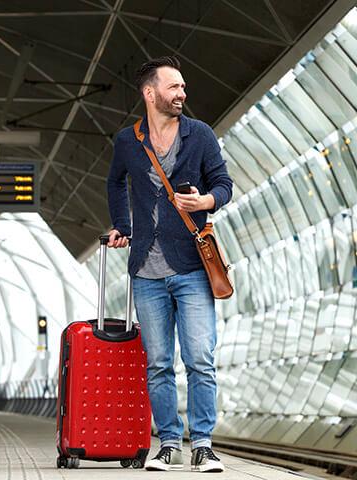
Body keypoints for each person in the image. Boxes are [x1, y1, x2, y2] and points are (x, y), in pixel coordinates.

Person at [107, 56, 233, 473]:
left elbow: (224, 184)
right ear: (150, 93)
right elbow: (114, 182)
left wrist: (205, 201)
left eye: (183, 87)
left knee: (200, 357)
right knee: (159, 363)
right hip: (146, 271)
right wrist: (123, 225)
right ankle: (168, 444)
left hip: (193, 268)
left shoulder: (200, 135)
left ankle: (202, 443)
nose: (182, 93)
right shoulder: (129, 140)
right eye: (174, 87)